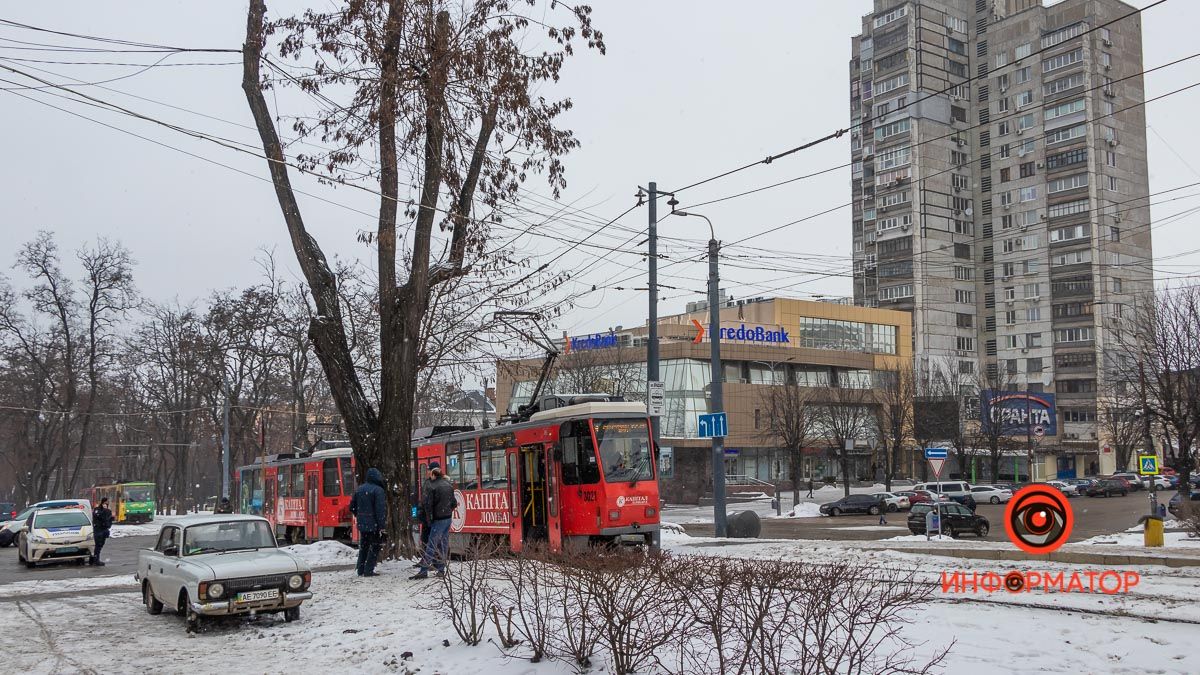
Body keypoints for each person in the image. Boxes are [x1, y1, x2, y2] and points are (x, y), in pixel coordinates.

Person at [411, 462, 456, 580]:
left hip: (438, 520)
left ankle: (424, 570)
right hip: (447, 518)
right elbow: (454, 503)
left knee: (431, 545)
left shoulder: (431, 486)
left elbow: (427, 504)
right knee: (443, 545)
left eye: (428, 470)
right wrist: (447, 511)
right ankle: (441, 569)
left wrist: (429, 520)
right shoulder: (448, 484)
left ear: (432, 472)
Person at [350, 467, 388, 577]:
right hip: (374, 524)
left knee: (364, 546)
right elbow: (380, 510)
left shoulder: (359, 489)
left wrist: (359, 515)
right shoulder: (378, 490)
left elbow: (352, 507)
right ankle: (368, 570)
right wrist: (382, 526)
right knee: (375, 546)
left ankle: (360, 569)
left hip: (362, 524)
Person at [91, 498, 114, 566]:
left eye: (107, 503)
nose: (106, 504)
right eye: (105, 502)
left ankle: (95, 558)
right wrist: (103, 510)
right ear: (102, 502)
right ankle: (96, 559)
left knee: (100, 545)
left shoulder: (108, 511)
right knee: (98, 545)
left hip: (104, 530)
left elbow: (109, 519)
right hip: (98, 530)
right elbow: (98, 516)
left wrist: (109, 525)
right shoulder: (97, 510)